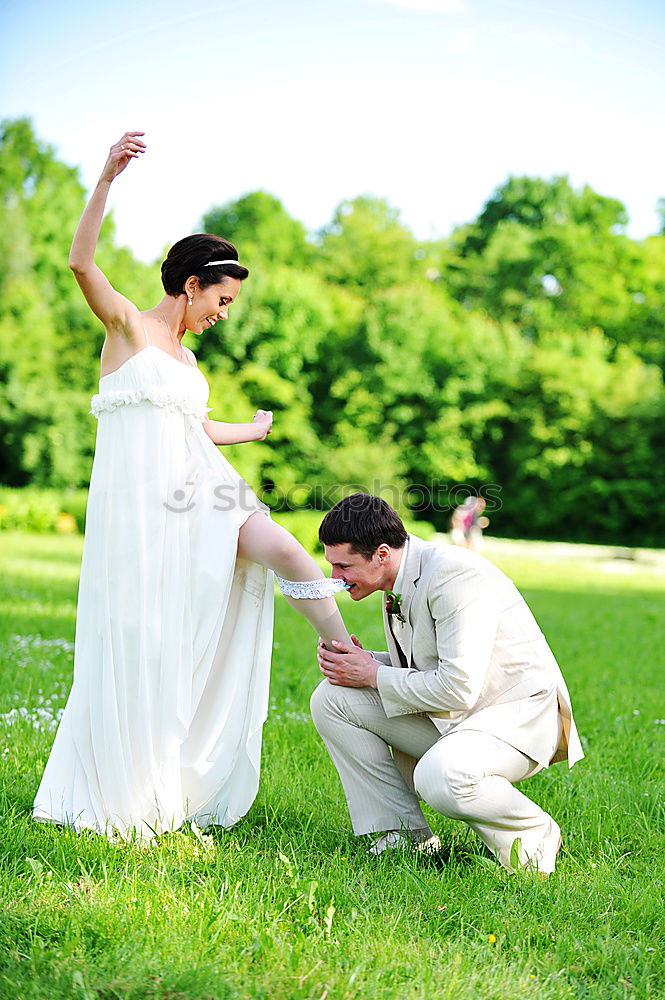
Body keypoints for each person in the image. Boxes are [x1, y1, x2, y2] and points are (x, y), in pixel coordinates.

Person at [33, 132, 351, 841]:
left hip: (203, 487)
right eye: (222, 299)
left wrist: (251, 429)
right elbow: (80, 261)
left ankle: (349, 660)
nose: (223, 313)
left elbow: (192, 429)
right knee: (153, 643)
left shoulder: (186, 357)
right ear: (190, 285)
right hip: (147, 514)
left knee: (292, 554)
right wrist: (106, 179)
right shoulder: (129, 331)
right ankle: (140, 782)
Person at [311, 494, 583, 875]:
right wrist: (366, 663)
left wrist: (372, 675)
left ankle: (533, 834)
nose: (335, 577)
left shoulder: (455, 575)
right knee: (334, 698)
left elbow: (458, 687)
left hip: (516, 720)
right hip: (461, 719)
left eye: (343, 566)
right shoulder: (397, 578)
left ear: (382, 554)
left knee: (440, 776)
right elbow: (428, 666)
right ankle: (402, 836)